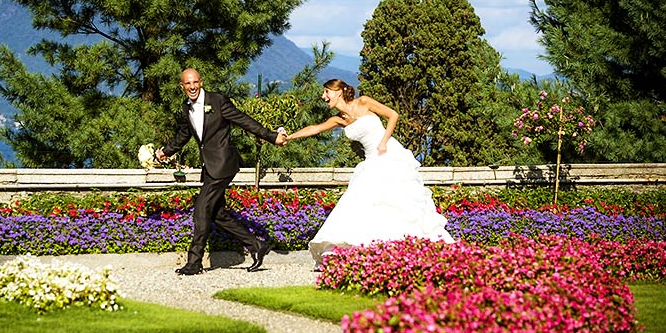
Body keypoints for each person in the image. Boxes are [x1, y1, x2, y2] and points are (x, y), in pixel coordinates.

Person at [285, 79, 454, 269]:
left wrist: (384, 141)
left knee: (400, 203)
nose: (324, 97)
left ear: (338, 91)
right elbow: (315, 128)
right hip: (371, 160)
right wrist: (290, 137)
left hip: (390, 155)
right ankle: (372, 251)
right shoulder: (339, 119)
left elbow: (393, 115)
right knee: (364, 203)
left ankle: (412, 248)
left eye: (327, 92)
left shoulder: (364, 102)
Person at [156, 68, 288, 275]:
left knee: (201, 211)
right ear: (182, 86)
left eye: (195, 82)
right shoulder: (186, 107)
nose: (192, 87)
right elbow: (185, 133)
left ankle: (194, 262)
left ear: (201, 82)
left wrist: (271, 136)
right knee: (217, 214)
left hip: (224, 164)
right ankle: (256, 246)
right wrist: (165, 151)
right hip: (209, 167)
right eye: (187, 84)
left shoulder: (217, 101)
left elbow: (243, 119)